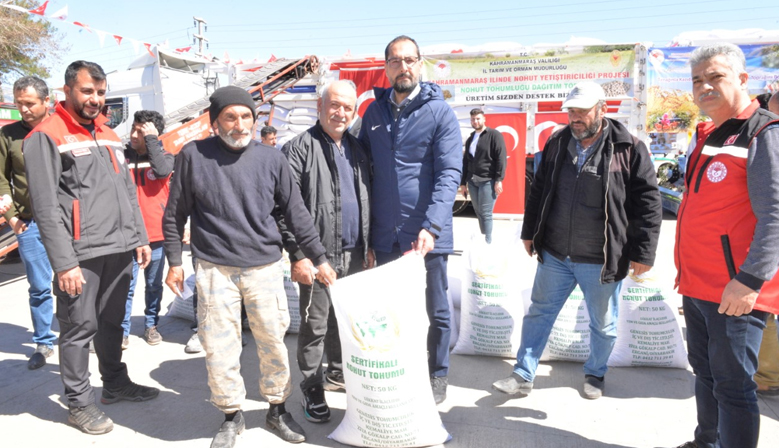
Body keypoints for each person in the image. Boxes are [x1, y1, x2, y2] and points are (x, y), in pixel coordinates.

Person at [163, 85, 337, 447]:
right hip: (214, 270)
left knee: (273, 343)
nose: (240, 124)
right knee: (219, 347)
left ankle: (277, 410)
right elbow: (174, 213)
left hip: (265, 269)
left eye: (246, 116)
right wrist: (175, 262)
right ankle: (231, 415)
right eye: (231, 116)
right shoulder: (193, 156)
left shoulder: (270, 159)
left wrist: (318, 257)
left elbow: (296, 213)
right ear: (215, 122)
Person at [493, 81, 662, 400]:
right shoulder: (558, 142)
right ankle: (522, 374)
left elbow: (648, 203)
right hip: (556, 254)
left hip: (600, 259)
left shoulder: (629, 147)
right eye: (571, 111)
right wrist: (530, 232)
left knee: (603, 323)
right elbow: (539, 190)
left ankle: (596, 373)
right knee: (539, 313)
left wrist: (644, 252)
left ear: (603, 109)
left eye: (582, 111)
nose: (575, 117)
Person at [23, 60, 158, 435]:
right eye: (87, 91)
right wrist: (64, 264)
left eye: (100, 92)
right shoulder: (46, 136)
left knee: (113, 322)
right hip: (80, 254)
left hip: (120, 246)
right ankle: (79, 403)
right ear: (66, 91)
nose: (96, 99)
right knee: (79, 327)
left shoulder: (109, 134)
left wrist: (140, 237)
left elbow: (127, 190)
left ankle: (114, 383)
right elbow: (46, 208)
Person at [672, 43, 779, 448]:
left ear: (743, 79)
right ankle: (706, 442)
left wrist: (749, 281)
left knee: (734, 388)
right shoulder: (709, 133)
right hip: (699, 286)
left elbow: (776, 216)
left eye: (715, 76)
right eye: (698, 80)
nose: (704, 86)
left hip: (735, 291)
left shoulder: (763, 131)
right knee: (707, 375)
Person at [359, 35, 462, 405]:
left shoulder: (439, 112)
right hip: (386, 234)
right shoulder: (372, 114)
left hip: (426, 234)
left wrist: (432, 225)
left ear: (421, 65)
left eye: (410, 60)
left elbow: (450, 173)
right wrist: (368, 234)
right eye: (396, 61)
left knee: (436, 309)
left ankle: (438, 373)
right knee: (390, 311)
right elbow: (363, 173)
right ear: (385, 67)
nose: (404, 67)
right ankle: (400, 368)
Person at [280, 80, 373, 423]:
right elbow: (284, 208)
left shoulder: (357, 149)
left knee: (345, 321)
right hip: (316, 255)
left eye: (347, 107)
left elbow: (367, 199)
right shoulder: (298, 148)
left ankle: (338, 372)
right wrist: (298, 254)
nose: (340, 112)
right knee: (315, 324)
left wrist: (370, 245)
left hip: (356, 253)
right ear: (320, 106)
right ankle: (311, 384)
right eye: (334, 105)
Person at [0, 76, 57, 370]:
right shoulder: (8, 135)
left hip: (64, 223)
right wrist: (11, 218)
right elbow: (1, 178)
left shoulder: (60, 130)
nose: (23, 109)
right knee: (38, 286)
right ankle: (44, 341)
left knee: (73, 283)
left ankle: (78, 336)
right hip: (29, 223)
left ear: (46, 101)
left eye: (29, 103)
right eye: (18, 102)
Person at [121, 110, 173, 348]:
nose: (133, 135)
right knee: (125, 286)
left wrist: (152, 140)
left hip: (156, 235)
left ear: (153, 134)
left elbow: (161, 171)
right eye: (133, 128)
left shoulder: (165, 156)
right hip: (127, 235)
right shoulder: (123, 157)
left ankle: (151, 325)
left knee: (153, 285)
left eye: (140, 131)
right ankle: (122, 330)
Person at [459, 108, 507, 244]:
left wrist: (499, 180)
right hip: (473, 181)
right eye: (473, 119)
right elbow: (466, 161)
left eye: (478, 118)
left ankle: (488, 244)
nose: (475, 121)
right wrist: (463, 183)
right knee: (479, 212)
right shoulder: (470, 139)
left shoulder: (494, 135)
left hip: (488, 180)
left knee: (486, 213)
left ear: (484, 119)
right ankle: (483, 240)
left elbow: (501, 158)